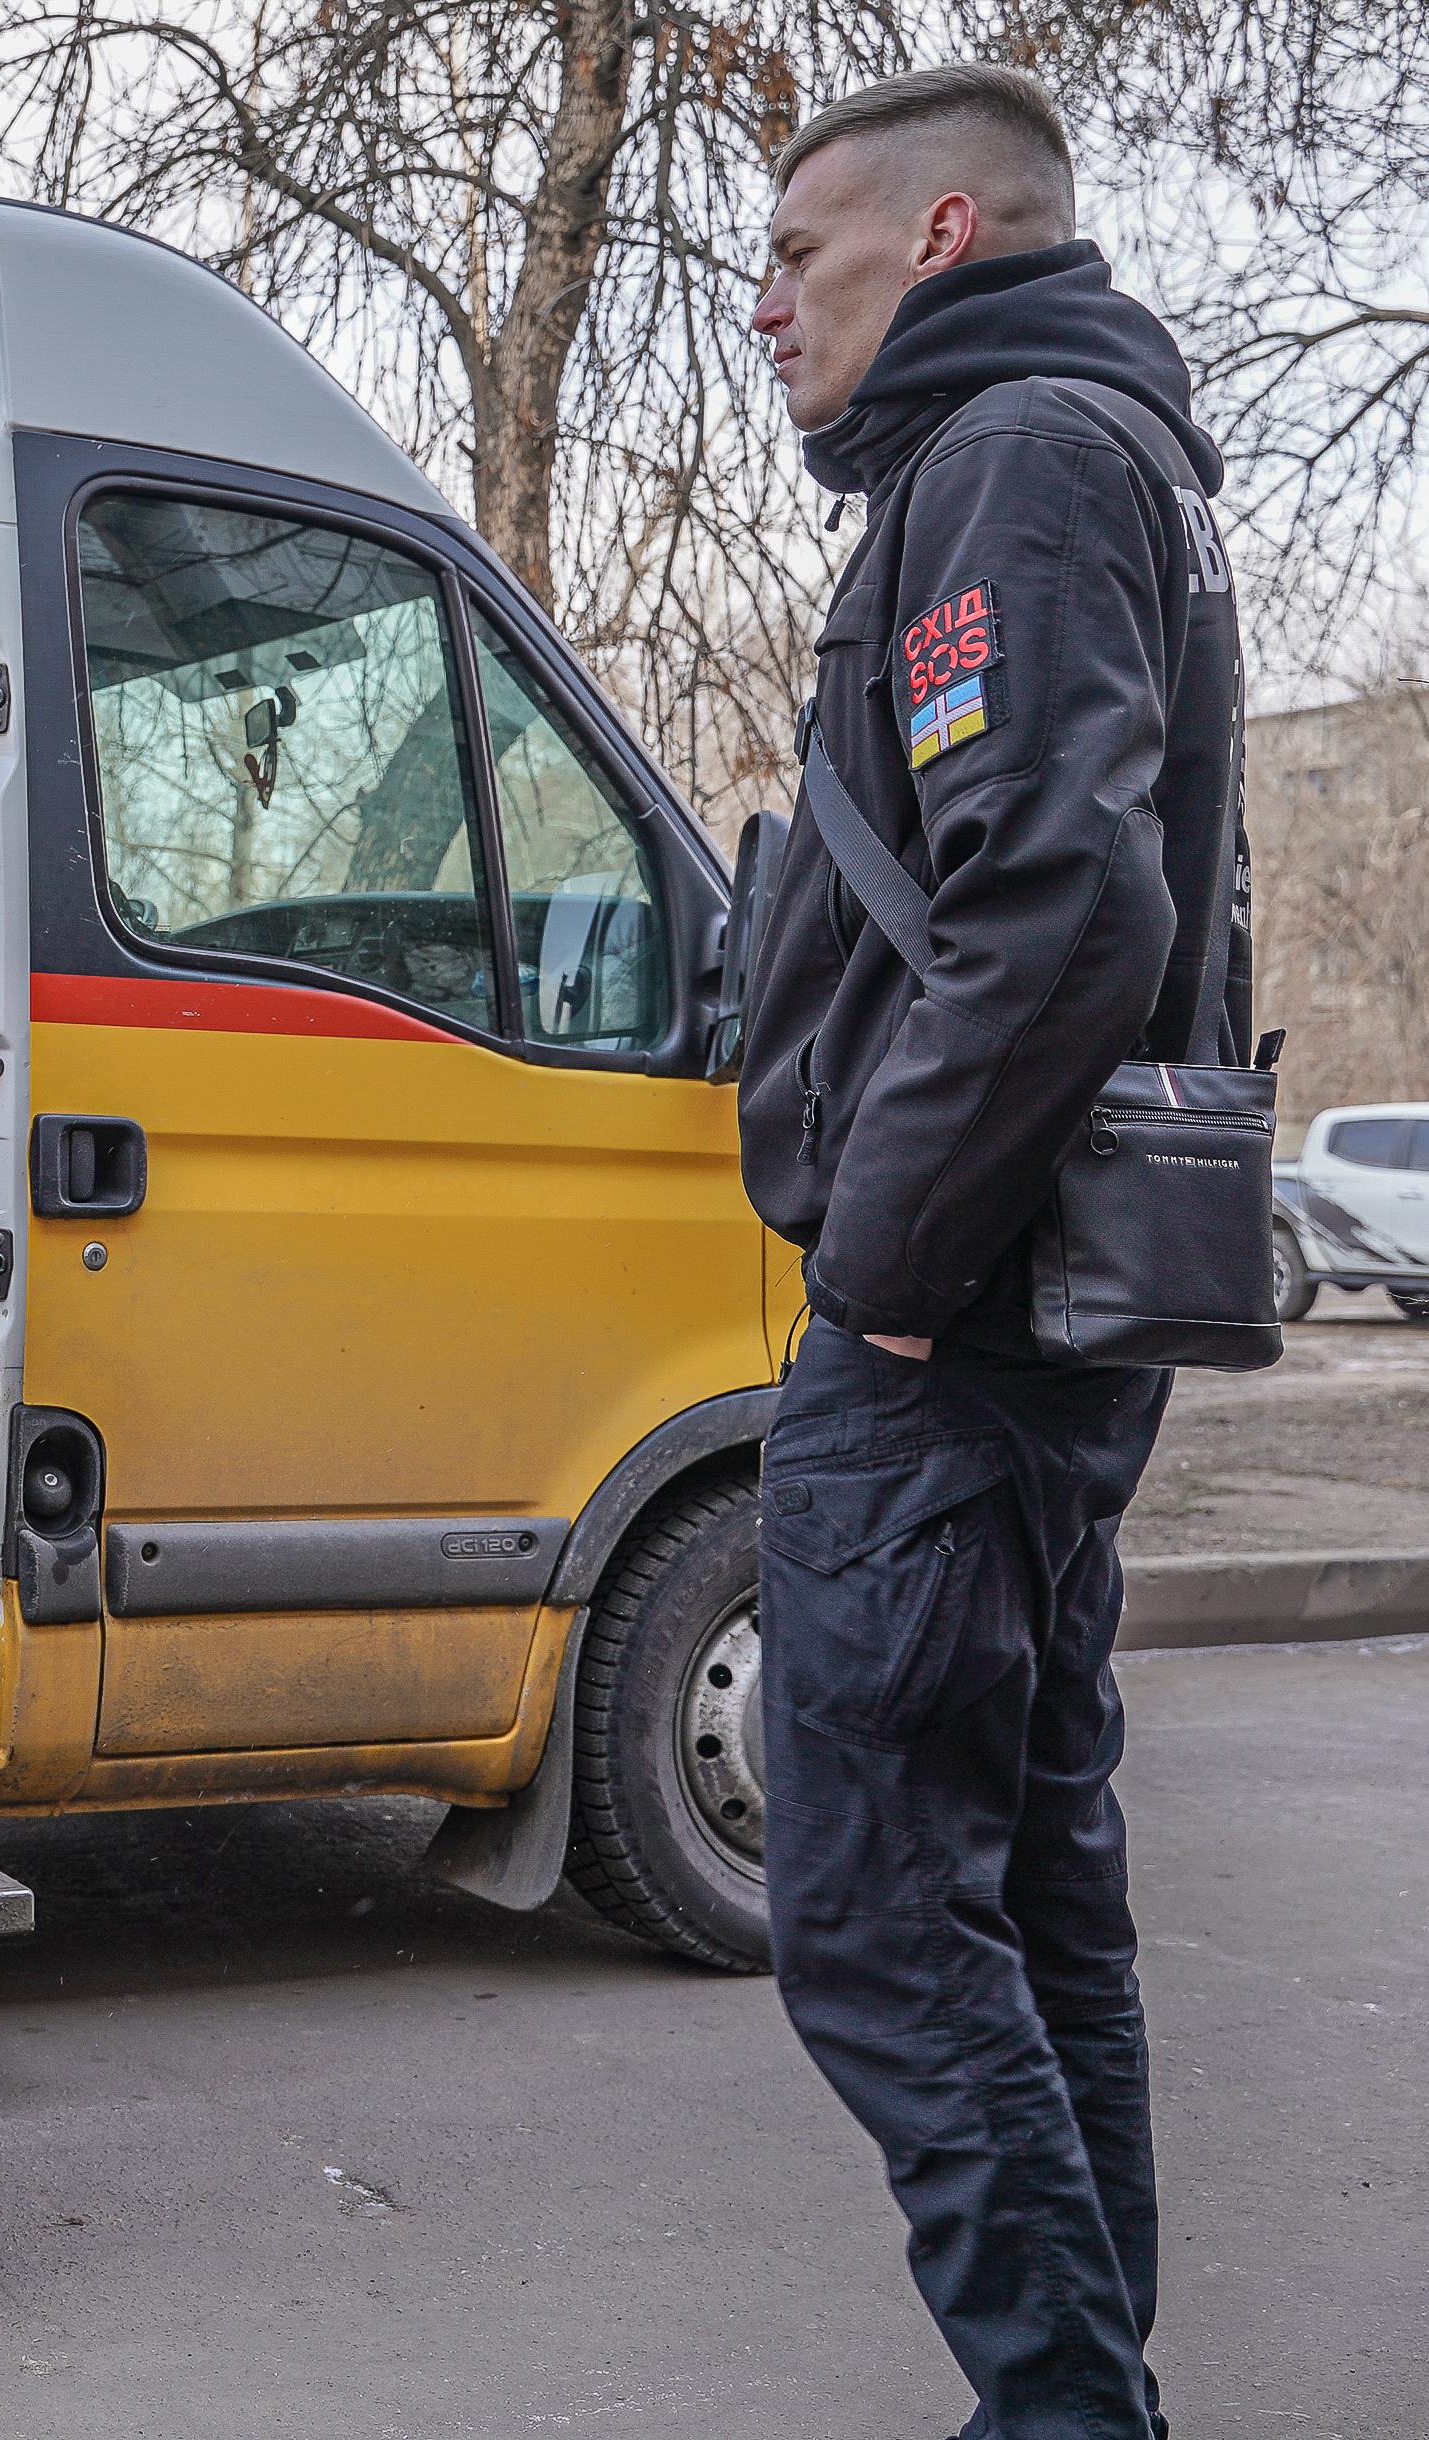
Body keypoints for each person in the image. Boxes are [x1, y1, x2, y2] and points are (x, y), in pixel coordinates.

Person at [739, 63, 1244, 2440]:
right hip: (1031, 1306)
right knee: (1030, 1882)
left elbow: (1050, 906)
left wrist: (877, 1272)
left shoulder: (1011, 459)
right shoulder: (1077, 450)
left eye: (797, 258)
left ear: (939, 236)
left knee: (862, 1906)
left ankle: (1064, 2408)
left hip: (956, 1321)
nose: (762, 307)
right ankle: (1077, 2397)